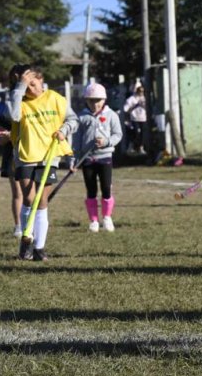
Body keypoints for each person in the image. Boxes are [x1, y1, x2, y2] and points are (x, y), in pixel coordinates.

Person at [9, 64, 78, 261]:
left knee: (42, 200)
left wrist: (64, 130)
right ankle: (26, 239)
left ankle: (39, 248)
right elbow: (13, 115)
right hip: (26, 155)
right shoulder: (19, 100)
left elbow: (73, 120)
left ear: (41, 79)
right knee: (29, 198)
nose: (30, 89)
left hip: (50, 155)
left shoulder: (56, 99)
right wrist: (19, 88)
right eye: (25, 86)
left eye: (32, 84)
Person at [73, 83, 123, 233]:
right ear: (86, 101)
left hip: (105, 157)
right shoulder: (81, 117)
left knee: (106, 188)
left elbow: (118, 134)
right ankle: (93, 220)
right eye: (91, 100)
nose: (95, 104)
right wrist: (74, 159)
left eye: (98, 100)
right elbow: (76, 140)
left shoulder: (111, 115)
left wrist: (107, 142)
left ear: (104, 100)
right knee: (91, 190)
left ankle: (107, 217)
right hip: (87, 159)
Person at [0, 91, 23, 237]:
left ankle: (33, 224)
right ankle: (18, 226)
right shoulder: (8, 111)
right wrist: (7, 137)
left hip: (33, 155)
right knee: (18, 193)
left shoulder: (35, 107)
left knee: (33, 193)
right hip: (13, 157)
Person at [123, 83, 147, 155]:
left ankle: (141, 148)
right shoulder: (132, 99)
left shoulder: (144, 98)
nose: (141, 93)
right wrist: (134, 106)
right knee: (136, 133)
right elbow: (125, 109)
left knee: (142, 134)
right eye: (140, 91)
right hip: (134, 118)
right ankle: (132, 147)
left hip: (143, 118)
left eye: (142, 91)